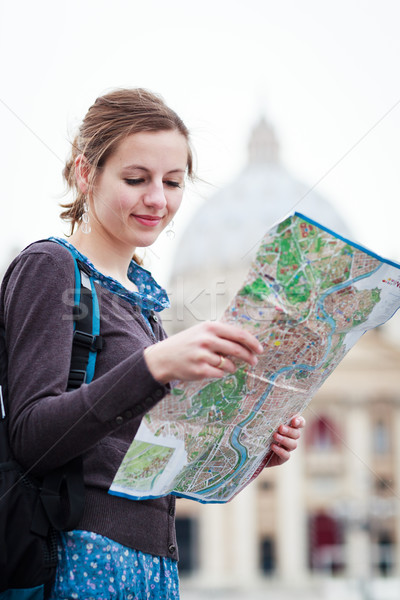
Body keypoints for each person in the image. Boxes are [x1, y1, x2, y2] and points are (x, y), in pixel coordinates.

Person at [1, 88, 305, 599]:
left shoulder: (143, 306)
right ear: (85, 173)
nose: (158, 200)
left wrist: (247, 450)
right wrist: (154, 366)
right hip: (81, 560)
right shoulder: (51, 268)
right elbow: (32, 435)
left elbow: (154, 469)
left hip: (152, 568)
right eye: (136, 179)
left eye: (173, 182)